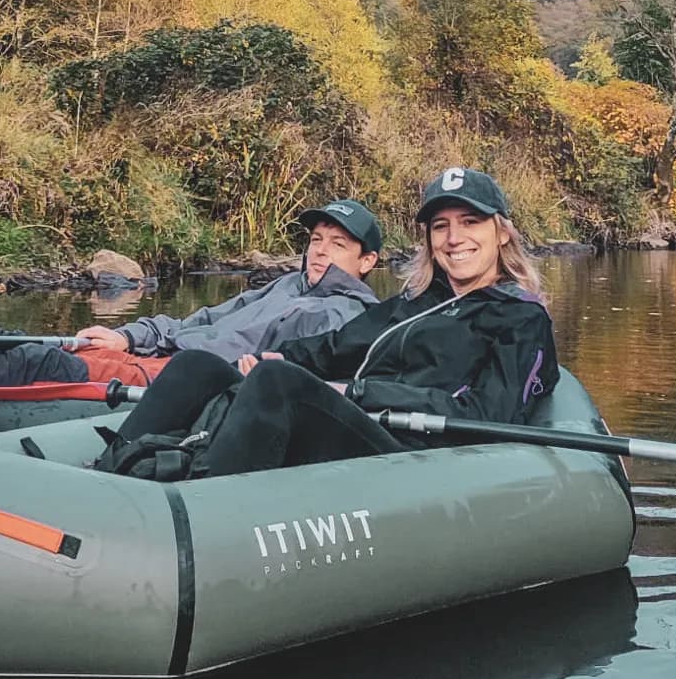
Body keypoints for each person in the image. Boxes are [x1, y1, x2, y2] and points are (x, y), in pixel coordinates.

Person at [100, 167, 555, 478]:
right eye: (441, 226)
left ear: (501, 231)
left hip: (415, 452)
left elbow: (488, 415)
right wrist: (275, 355)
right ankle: (107, 473)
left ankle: (207, 504)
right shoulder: (417, 303)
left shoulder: (520, 317)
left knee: (278, 382)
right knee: (198, 364)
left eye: (470, 222)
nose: (454, 238)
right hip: (361, 423)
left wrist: (356, 392)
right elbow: (336, 346)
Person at [0, 200, 384, 391]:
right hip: (167, 357)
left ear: (368, 262)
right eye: (316, 240)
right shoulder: (288, 283)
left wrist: (159, 351)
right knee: (12, 339)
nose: (319, 252)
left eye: (337, 244)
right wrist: (132, 336)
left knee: (45, 364)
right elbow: (203, 318)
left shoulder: (346, 316)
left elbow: (259, 363)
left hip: (191, 377)